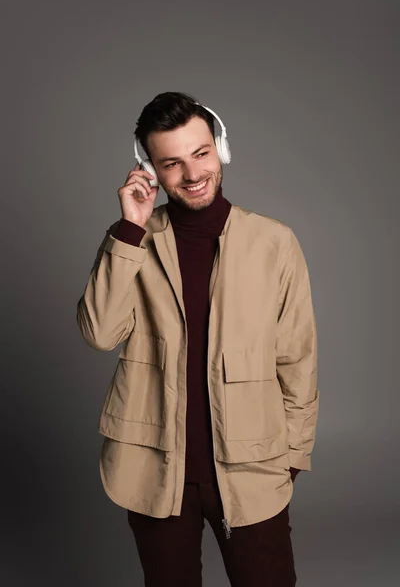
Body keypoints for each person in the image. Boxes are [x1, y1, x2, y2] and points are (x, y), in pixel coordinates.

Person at [76, 91, 319, 586]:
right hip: (153, 470)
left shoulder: (275, 243)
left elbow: (298, 361)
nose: (192, 174)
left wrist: (291, 458)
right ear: (151, 170)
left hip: (252, 469)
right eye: (172, 163)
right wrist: (130, 227)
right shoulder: (132, 241)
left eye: (201, 153)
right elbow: (100, 333)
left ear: (220, 149)